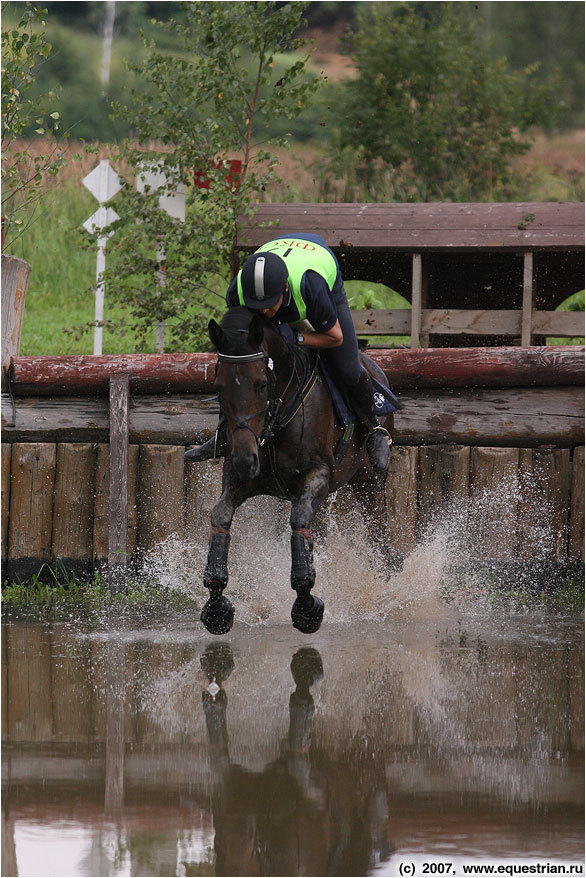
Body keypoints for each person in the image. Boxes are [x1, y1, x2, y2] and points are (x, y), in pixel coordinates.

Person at [185, 233, 391, 473]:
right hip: (281, 261)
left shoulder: (311, 285)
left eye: (270, 304)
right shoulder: (238, 291)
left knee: (347, 367)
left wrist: (297, 338)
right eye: (257, 305)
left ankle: (374, 430)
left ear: (284, 289)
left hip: (318, 268)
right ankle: (223, 434)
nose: (263, 311)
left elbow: (335, 337)